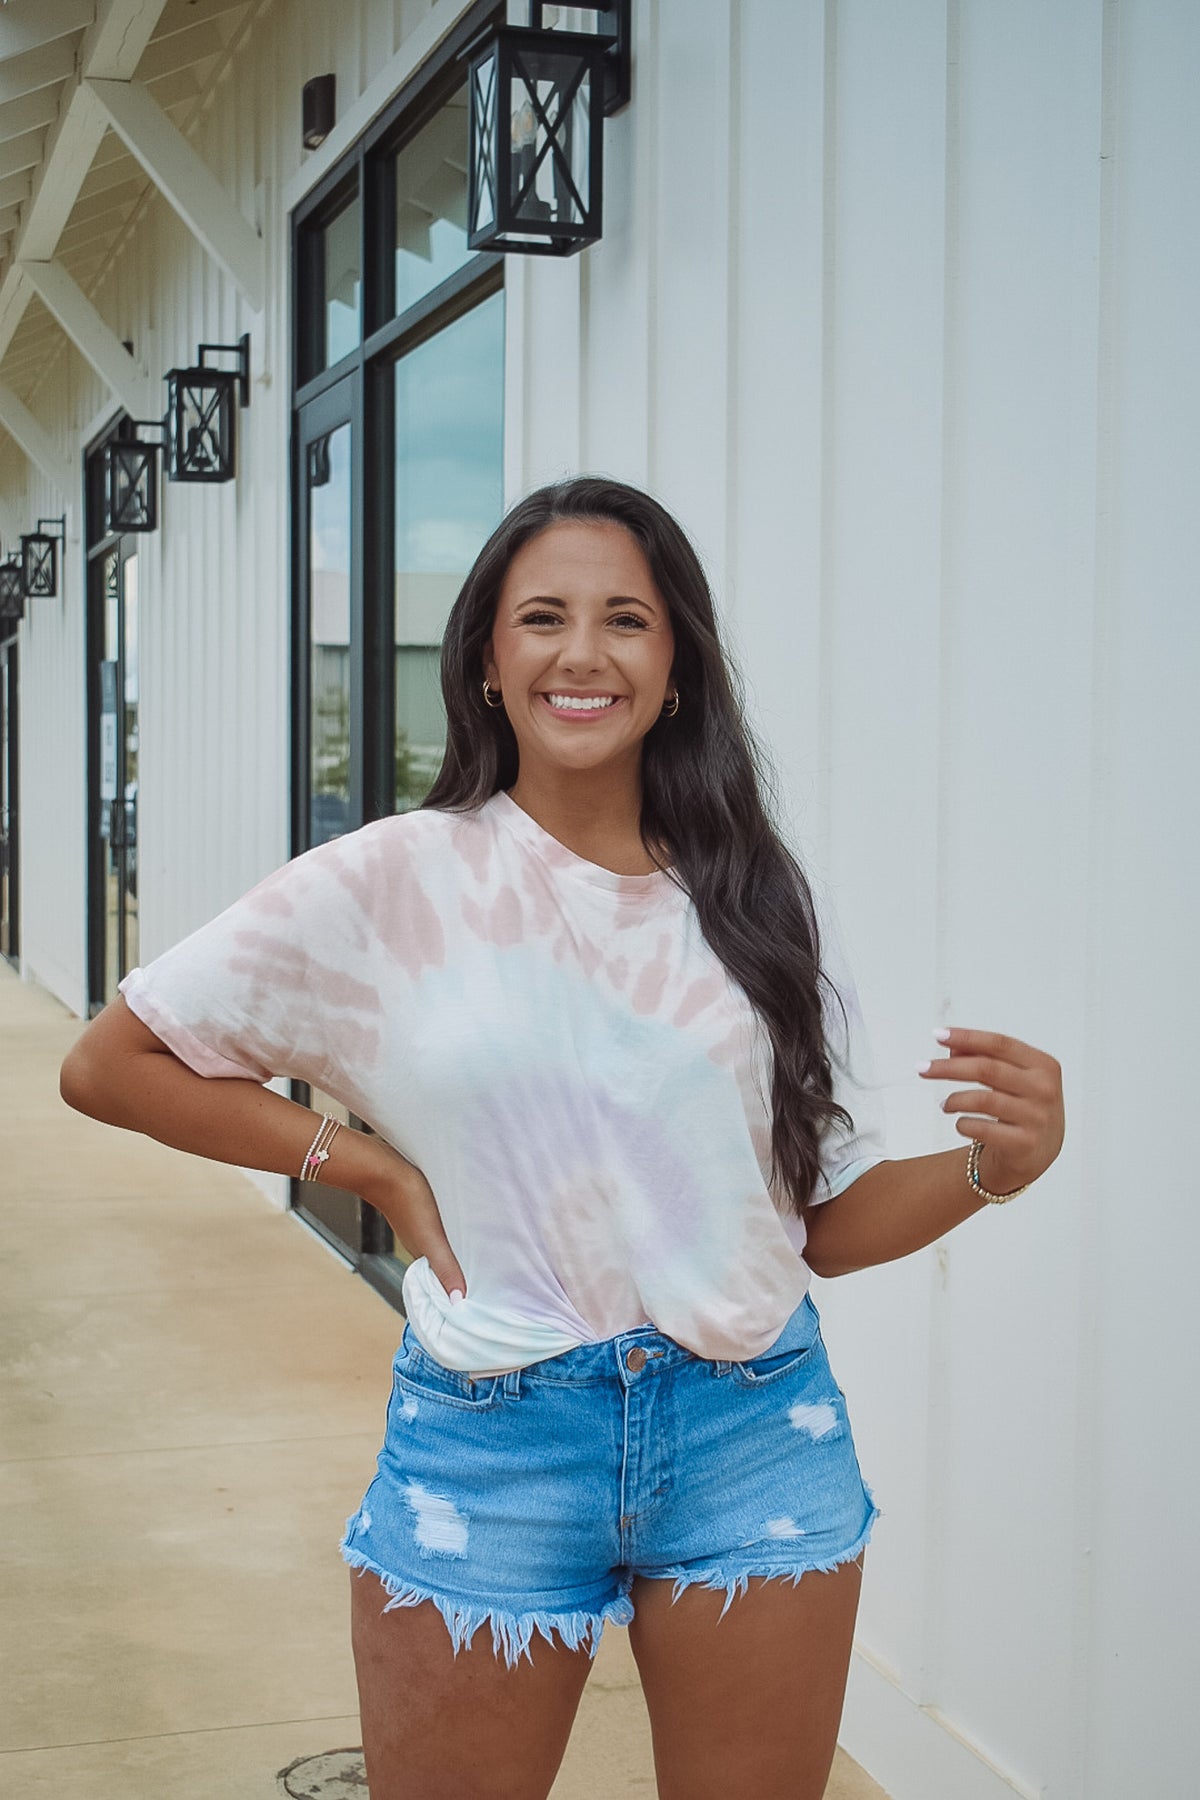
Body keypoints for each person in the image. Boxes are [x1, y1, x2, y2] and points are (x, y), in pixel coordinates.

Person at [60, 476, 1065, 1800]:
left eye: (627, 621)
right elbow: (113, 1063)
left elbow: (816, 1224)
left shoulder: (755, 907)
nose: (583, 653)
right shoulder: (388, 883)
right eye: (544, 617)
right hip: (493, 1430)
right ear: (487, 659)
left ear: (677, 669)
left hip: (752, 1427)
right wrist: (358, 1164)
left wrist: (999, 1169)